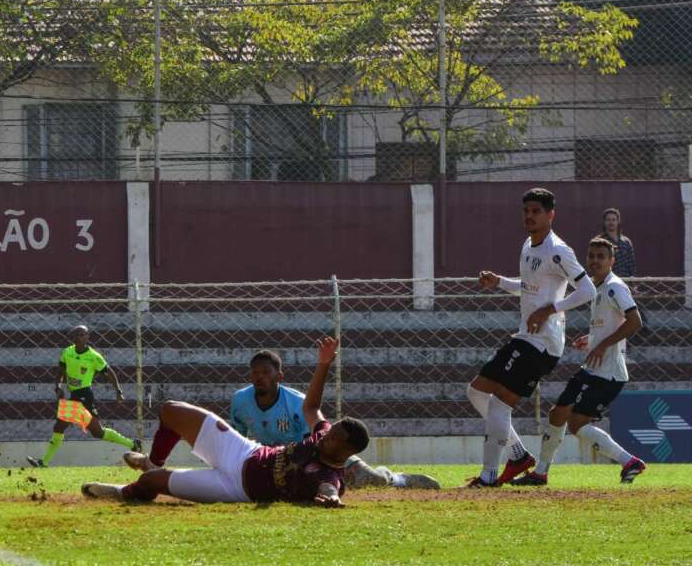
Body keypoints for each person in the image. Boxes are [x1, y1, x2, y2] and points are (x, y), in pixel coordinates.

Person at [81, 337, 370, 507]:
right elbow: (312, 406)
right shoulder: (321, 434)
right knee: (170, 410)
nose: (325, 436)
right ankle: (152, 460)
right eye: (329, 431)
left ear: (346, 453)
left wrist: (332, 499)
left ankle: (122, 492)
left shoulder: (329, 476)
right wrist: (323, 364)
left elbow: (328, 490)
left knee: (150, 483)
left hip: (236, 488)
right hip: (243, 451)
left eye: (333, 439)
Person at [466, 188, 596, 487]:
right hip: (525, 336)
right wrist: (499, 282)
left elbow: (588, 291)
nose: (529, 216)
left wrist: (551, 309)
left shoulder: (558, 250)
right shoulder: (528, 244)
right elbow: (528, 287)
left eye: (536, 211)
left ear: (551, 214)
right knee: (475, 391)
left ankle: (488, 476)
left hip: (543, 343)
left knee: (499, 404)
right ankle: (518, 456)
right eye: (526, 211)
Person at [512, 237, 646, 485]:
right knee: (558, 414)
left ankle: (629, 461)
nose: (595, 261)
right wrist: (593, 338)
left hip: (607, 372)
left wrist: (604, 344)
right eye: (592, 256)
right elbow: (611, 323)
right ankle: (541, 472)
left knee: (575, 422)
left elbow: (635, 321)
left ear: (612, 261)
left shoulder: (615, 287)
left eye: (601, 257)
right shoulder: (599, 287)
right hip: (595, 368)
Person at [231, 349, 439, 489]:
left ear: (280, 376)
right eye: (255, 372)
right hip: (275, 462)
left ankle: (399, 478)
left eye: (266, 372)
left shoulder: (296, 403)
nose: (260, 377)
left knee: (370, 480)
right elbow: (236, 439)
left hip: (318, 453)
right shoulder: (240, 401)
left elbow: (318, 442)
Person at [27, 325, 140, 468]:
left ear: (87, 337)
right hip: (74, 394)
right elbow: (60, 372)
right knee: (97, 432)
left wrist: (118, 391)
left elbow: (109, 372)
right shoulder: (67, 352)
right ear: (71, 338)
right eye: (75, 335)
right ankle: (132, 444)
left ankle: (44, 462)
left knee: (60, 426)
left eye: (81, 334)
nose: (78, 337)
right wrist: (58, 387)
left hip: (84, 395)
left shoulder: (94, 356)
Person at [599, 208, 636, 278]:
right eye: (608, 220)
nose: (611, 222)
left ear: (618, 221)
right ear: (604, 222)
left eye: (614, 220)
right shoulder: (599, 241)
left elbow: (632, 264)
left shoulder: (626, 242)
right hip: (608, 281)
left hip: (626, 281)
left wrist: (633, 283)